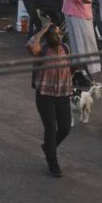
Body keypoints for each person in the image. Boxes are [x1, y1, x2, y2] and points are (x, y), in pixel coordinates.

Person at [27, 23, 72, 177]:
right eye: (54, 34)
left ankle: (48, 147)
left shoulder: (65, 49)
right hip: (45, 95)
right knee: (51, 129)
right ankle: (53, 164)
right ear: (47, 37)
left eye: (59, 34)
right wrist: (43, 30)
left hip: (63, 94)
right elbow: (30, 44)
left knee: (65, 127)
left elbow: (69, 68)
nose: (58, 37)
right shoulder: (42, 51)